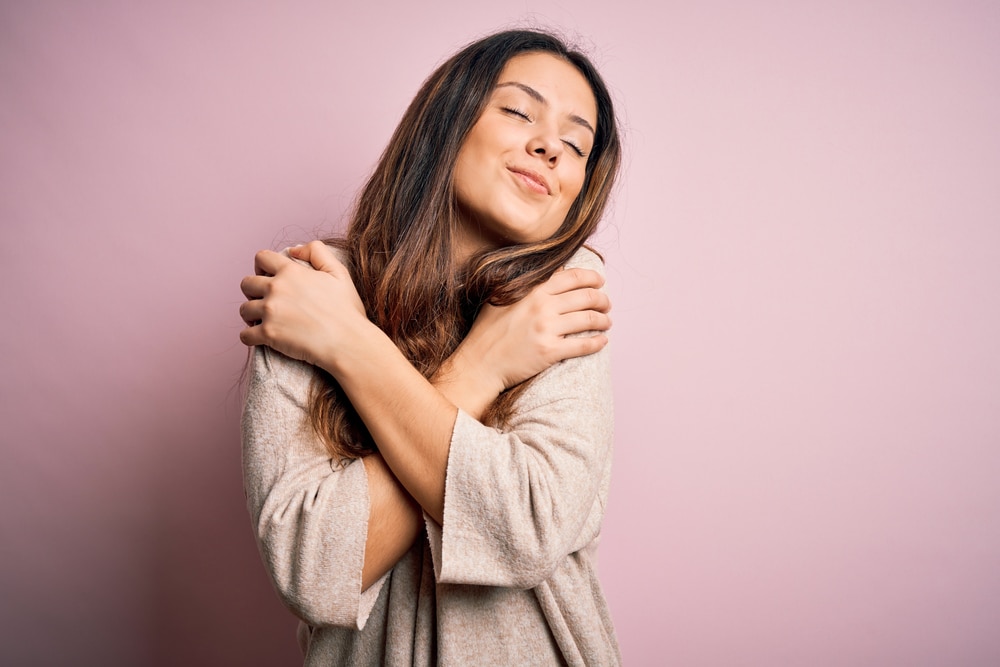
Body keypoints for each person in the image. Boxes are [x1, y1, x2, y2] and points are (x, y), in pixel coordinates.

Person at [239, 29, 622, 665]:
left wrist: (347, 344)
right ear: (446, 122)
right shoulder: (317, 295)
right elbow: (312, 566)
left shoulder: (563, 302)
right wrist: (480, 369)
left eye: (576, 144)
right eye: (518, 110)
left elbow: (525, 527)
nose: (549, 146)